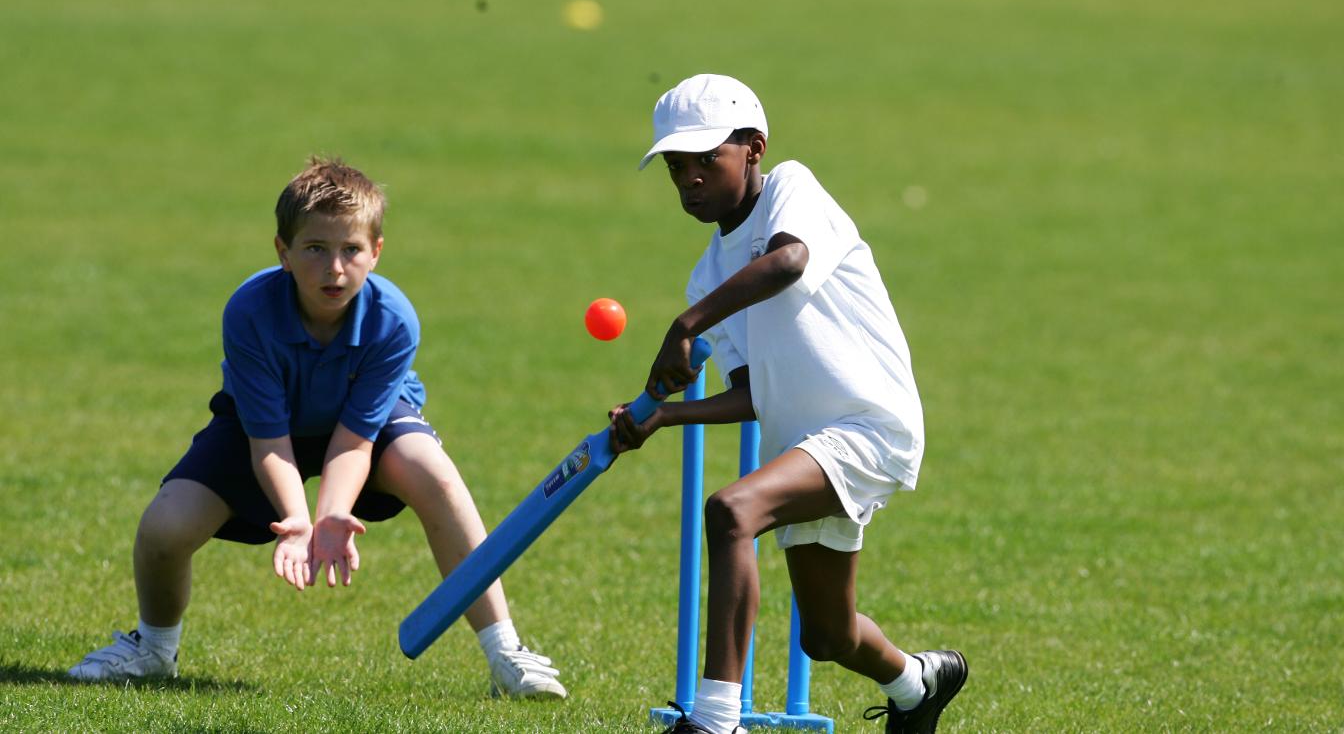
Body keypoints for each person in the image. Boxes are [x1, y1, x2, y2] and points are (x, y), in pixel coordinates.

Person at [68, 157, 566, 699]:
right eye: (314, 249)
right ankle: (153, 650)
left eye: (351, 250)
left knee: (435, 474)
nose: (334, 269)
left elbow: (354, 440)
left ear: (376, 253)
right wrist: (299, 521)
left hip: (360, 427)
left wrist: (331, 514)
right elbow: (268, 439)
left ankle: (505, 653)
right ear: (282, 251)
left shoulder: (394, 319)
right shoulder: (249, 311)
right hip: (267, 432)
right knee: (164, 527)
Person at [610, 74, 966, 733]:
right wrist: (665, 416)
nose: (689, 178)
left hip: (868, 426)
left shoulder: (791, 192)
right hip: (803, 444)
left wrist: (685, 326)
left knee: (730, 511)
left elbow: (790, 262)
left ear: (753, 147)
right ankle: (920, 684)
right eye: (676, 167)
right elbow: (751, 394)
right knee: (826, 636)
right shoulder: (707, 272)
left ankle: (716, 720)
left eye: (704, 160)